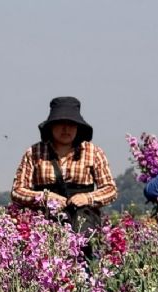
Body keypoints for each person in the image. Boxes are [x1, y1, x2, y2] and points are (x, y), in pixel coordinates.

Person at [11, 96, 117, 248]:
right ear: (51, 126)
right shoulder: (34, 152)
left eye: (71, 125)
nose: (66, 129)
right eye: (61, 124)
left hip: (83, 225)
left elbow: (110, 190)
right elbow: (17, 191)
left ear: (78, 127)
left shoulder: (94, 152)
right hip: (45, 228)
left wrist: (87, 197)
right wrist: (45, 197)